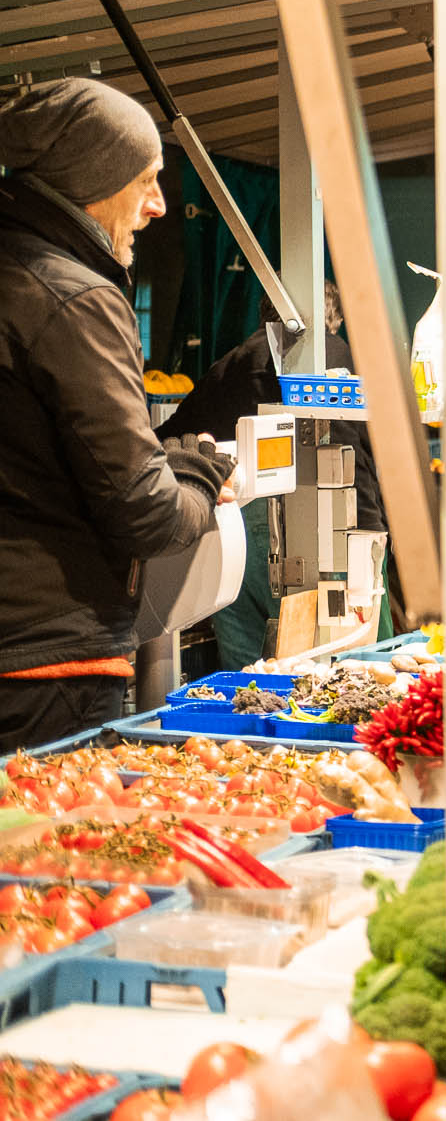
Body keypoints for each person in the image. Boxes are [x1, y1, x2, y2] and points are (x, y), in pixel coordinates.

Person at [0, 79, 238, 750]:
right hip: (49, 670)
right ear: (91, 182)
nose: (158, 205)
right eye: (146, 180)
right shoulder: (73, 297)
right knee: (54, 852)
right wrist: (199, 470)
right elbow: (148, 511)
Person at [158, 281, 386, 670]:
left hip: (236, 532)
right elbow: (377, 457)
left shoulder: (229, 364)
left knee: (248, 679)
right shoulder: (343, 357)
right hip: (329, 530)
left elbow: (166, 439)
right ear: (334, 317)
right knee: (338, 674)